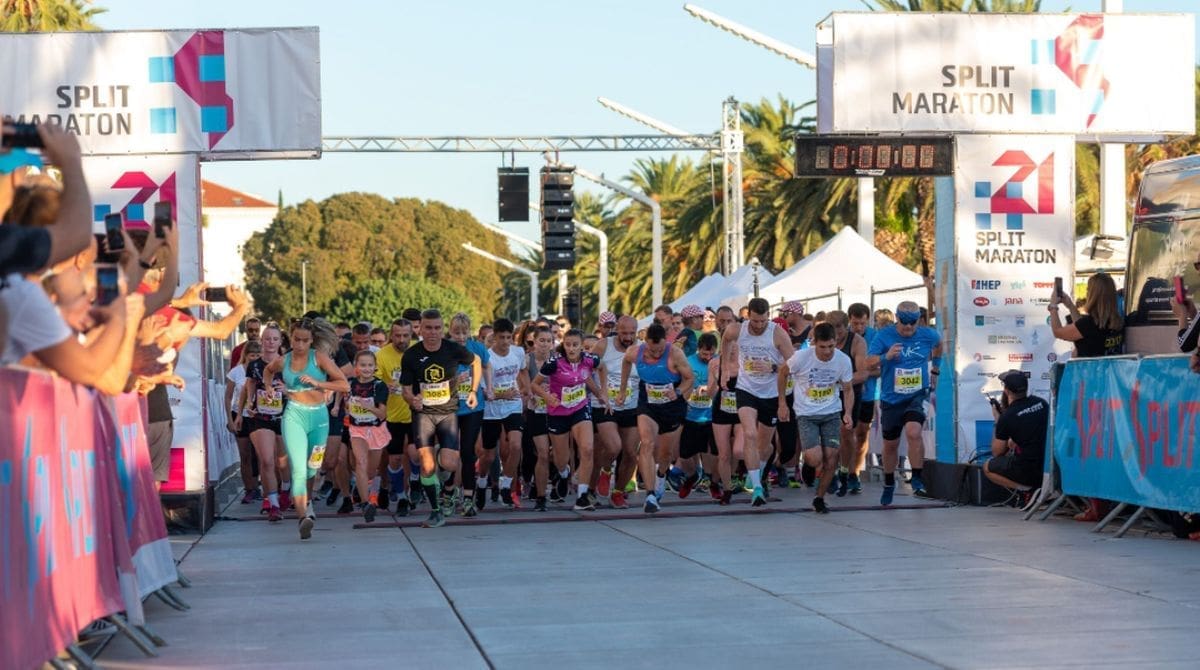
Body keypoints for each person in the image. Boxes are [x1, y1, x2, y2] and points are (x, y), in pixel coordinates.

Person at [262, 318, 349, 540]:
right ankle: (303, 519)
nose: (300, 345)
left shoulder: (318, 358)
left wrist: (319, 383)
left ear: (312, 341)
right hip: (294, 414)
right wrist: (269, 388)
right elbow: (268, 370)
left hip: (319, 416)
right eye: (296, 340)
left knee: (313, 468)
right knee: (298, 469)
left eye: (305, 341)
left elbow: (344, 384)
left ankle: (307, 502)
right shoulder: (284, 360)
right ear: (289, 338)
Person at [1049, 273, 1123, 522]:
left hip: (1087, 393)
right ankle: (1101, 502)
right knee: (1103, 449)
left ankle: (1095, 505)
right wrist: (1070, 306)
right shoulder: (1117, 323)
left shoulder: (1090, 325)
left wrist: (1052, 308)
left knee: (1088, 450)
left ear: (1092, 295)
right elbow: (1084, 331)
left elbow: (1060, 332)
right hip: (1110, 392)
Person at [400, 309, 478, 529]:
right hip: (423, 414)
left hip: (447, 413)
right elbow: (405, 390)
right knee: (426, 466)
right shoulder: (412, 355)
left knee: (450, 463)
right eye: (428, 328)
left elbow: (477, 362)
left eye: (437, 328)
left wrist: (472, 391)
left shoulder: (453, 349)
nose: (433, 333)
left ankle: (439, 468)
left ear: (442, 329)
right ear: (421, 329)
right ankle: (436, 512)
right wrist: (411, 399)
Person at [865, 300, 942, 505]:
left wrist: (935, 367)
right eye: (904, 323)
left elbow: (939, 345)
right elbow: (868, 362)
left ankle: (917, 477)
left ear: (919, 321)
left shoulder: (928, 334)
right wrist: (886, 356)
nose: (908, 327)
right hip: (891, 398)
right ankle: (889, 483)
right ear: (897, 319)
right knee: (891, 445)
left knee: (914, 432)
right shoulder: (885, 336)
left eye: (913, 323)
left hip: (917, 394)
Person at [721, 297, 795, 507]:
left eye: (763, 321)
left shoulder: (777, 334)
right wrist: (726, 367)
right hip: (746, 389)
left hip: (771, 393)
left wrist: (773, 368)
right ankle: (757, 489)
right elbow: (726, 340)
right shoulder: (737, 330)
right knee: (750, 435)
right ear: (748, 317)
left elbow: (792, 363)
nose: (759, 326)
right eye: (755, 321)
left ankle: (758, 469)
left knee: (765, 446)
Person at [619, 323, 695, 514]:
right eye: (652, 350)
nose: (656, 354)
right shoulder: (635, 352)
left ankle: (661, 475)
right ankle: (650, 495)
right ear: (645, 343)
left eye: (660, 349)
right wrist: (622, 389)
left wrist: (678, 392)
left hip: (672, 406)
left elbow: (690, 379)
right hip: (648, 404)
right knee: (646, 443)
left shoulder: (675, 353)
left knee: (665, 454)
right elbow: (626, 362)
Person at [779, 322, 854, 514]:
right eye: (822, 347)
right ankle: (809, 467)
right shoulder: (802, 357)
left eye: (831, 346)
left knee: (831, 458)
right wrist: (782, 403)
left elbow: (848, 389)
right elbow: (782, 372)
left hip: (831, 412)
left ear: (836, 342)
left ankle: (819, 498)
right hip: (806, 414)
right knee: (814, 458)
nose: (827, 351)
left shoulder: (843, 360)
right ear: (815, 344)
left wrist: (848, 412)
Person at [532, 328, 610, 511]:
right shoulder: (554, 362)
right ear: (563, 345)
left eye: (575, 345)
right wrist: (547, 397)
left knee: (587, 449)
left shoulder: (590, 359)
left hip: (580, 408)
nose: (572, 349)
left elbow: (602, 367)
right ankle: (563, 473)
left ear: (582, 346)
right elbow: (534, 384)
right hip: (558, 413)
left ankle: (582, 496)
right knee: (561, 459)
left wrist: (603, 393)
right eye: (568, 345)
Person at [238, 324, 290, 522]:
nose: (270, 343)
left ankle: (285, 488)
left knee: (282, 462)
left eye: (274, 339)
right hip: (261, 417)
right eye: (267, 339)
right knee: (267, 460)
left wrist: (286, 390)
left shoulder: (287, 364)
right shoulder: (255, 365)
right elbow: (250, 384)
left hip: (284, 416)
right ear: (262, 341)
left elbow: (300, 387)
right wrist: (250, 402)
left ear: (280, 342)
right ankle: (273, 504)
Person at [589, 315, 641, 509]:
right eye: (624, 332)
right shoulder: (603, 346)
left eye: (632, 333)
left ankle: (618, 492)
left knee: (630, 453)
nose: (628, 337)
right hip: (605, 405)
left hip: (631, 405)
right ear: (616, 330)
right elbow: (585, 372)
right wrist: (599, 393)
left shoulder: (641, 348)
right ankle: (604, 471)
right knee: (612, 447)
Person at [478, 318, 529, 512]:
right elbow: (484, 392)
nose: (506, 341)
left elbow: (522, 371)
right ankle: (482, 483)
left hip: (513, 406)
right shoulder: (487, 359)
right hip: (491, 411)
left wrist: (526, 389)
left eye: (509, 337)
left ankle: (507, 486)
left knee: (516, 445)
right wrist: (501, 393)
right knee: (489, 455)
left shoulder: (518, 353)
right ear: (494, 337)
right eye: (502, 338)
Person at [982, 370, 1049, 503]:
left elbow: (997, 452)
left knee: (987, 467)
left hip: (1029, 470)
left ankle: (1027, 489)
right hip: (1049, 466)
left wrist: (997, 421)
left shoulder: (1007, 417)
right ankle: (1033, 489)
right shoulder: (1041, 403)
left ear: (1006, 391)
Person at [375, 318, 416, 516]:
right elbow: (374, 382)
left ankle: (415, 481)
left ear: (411, 335)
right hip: (393, 415)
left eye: (405, 335)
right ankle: (401, 496)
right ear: (391, 335)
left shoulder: (419, 351)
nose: (401, 339)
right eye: (397, 335)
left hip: (417, 412)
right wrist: (385, 386)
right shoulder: (382, 355)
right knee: (395, 459)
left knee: (416, 454)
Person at [344, 350, 390, 523]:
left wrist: (367, 406)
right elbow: (344, 401)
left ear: (375, 367)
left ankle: (367, 488)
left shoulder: (379, 386)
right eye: (363, 365)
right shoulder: (350, 384)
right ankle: (366, 504)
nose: (366, 368)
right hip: (357, 430)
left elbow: (382, 414)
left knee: (371, 471)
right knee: (360, 463)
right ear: (356, 367)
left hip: (376, 430)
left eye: (370, 365)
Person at [449, 312, 488, 517]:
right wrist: (456, 379)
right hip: (451, 408)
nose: (461, 337)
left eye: (464, 333)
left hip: (474, 407)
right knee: (451, 454)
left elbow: (486, 366)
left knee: (468, 452)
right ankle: (449, 489)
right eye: (457, 333)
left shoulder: (477, 348)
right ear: (450, 331)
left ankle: (467, 498)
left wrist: (487, 387)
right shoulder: (445, 350)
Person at [827, 310, 869, 497]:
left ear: (847, 327)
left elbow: (863, 373)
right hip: (827, 393)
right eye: (832, 329)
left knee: (847, 432)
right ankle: (830, 470)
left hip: (849, 391)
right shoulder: (821, 337)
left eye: (840, 330)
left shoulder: (857, 342)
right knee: (828, 434)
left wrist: (841, 382)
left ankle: (849, 472)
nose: (836, 335)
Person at [679, 332, 719, 499]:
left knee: (710, 451)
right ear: (698, 350)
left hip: (711, 415)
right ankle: (691, 476)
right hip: (690, 414)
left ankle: (711, 481)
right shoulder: (688, 362)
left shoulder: (718, 362)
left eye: (711, 353)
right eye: (704, 353)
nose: (708, 357)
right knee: (685, 454)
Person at [845, 302, 880, 494]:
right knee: (846, 433)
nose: (859, 327)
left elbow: (881, 368)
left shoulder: (875, 336)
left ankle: (854, 473)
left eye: (863, 324)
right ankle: (842, 470)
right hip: (846, 394)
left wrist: (865, 373)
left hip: (868, 394)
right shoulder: (843, 336)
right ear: (849, 319)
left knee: (861, 434)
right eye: (856, 323)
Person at [1050, 272, 1125, 358]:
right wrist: (1070, 305)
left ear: (1093, 295)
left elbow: (1058, 332)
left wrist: (1053, 306)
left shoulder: (1090, 323)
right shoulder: (1118, 321)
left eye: (1088, 290)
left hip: (1087, 370)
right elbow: (1081, 327)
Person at [522, 326, 555, 508]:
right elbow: (525, 384)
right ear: (534, 342)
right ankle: (542, 497)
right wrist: (530, 393)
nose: (545, 344)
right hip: (536, 412)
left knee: (558, 456)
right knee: (542, 454)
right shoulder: (527, 361)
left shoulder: (558, 361)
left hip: (556, 413)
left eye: (548, 341)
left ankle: (562, 475)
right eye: (541, 340)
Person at [227, 340, 262, 504]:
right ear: (245, 355)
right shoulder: (236, 372)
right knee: (245, 454)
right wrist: (230, 420)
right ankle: (250, 489)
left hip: (257, 416)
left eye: (257, 355)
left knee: (261, 455)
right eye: (251, 355)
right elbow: (228, 397)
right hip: (239, 414)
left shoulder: (262, 370)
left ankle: (263, 488)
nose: (254, 358)